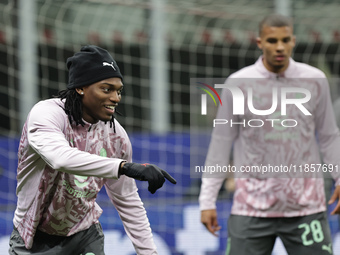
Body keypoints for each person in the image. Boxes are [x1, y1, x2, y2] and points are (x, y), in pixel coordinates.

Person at [9, 45, 176, 255]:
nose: (116, 98)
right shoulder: (46, 114)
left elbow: (127, 200)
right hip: (33, 239)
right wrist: (123, 167)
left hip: (84, 236)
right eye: (107, 89)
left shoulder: (116, 136)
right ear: (80, 87)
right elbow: (60, 158)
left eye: (118, 90)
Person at [199, 14, 340, 255]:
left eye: (285, 40)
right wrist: (207, 200)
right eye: (272, 40)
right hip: (250, 208)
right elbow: (221, 143)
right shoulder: (238, 83)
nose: (280, 47)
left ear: (294, 41)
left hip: (306, 208)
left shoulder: (315, 80)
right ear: (259, 42)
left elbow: (328, 136)